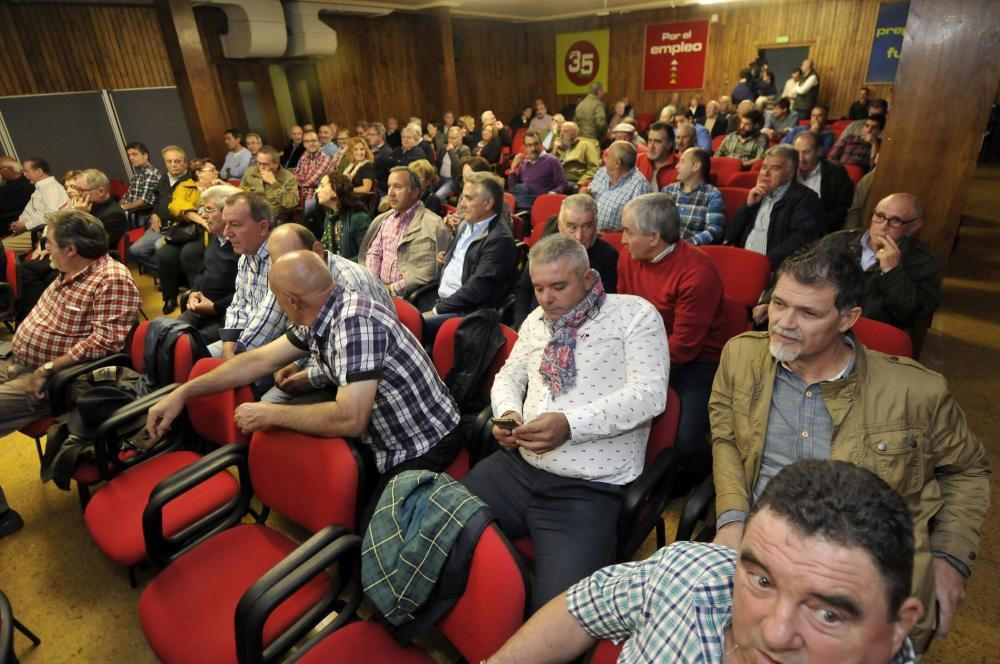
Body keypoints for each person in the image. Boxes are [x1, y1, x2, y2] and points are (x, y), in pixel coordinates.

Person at [712, 243, 989, 653]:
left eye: (808, 313)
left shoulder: (916, 392)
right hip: (764, 549)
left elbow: (967, 471)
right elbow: (727, 438)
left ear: (848, 318)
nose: (784, 323)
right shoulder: (740, 355)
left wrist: (951, 560)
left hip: (861, 571)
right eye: (780, 304)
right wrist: (733, 516)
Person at [485, 460, 924, 664]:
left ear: (899, 626)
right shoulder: (692, 572)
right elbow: (586, 604)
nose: (772, 633)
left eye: (828, 613)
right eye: (762, 581)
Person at [146, 249, 462, 500]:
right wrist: (183, 392)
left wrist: (272, 413)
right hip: (383, 436)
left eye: (277, 298)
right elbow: (257, 360)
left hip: (421, 443)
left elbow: (349, 419)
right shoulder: (323, 308)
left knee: (372, 552)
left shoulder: (354, 323)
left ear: (292, 301)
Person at [461, 234, 668, 611]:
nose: (546, 298)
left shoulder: (634, 315)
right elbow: (509, 377)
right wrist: (509, 415)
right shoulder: (537, 322)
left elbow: (648, 396)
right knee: (434, 528)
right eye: (538, 287)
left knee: (559, 617)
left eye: (558, 286)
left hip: (587, 487)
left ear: (588, 279)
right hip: (517, 470)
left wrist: (570, 424)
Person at [0, 209, 140, 437]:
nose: (46, 250)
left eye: (49, 244)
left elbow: (104, 343)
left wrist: (47, 369)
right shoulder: (68, 269)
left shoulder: (111, 279)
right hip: (16, 361)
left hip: (55, 378)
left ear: (71, 249)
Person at [617, 193, 726, 479]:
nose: (622, 240)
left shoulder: (697, 273)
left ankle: (698, 482)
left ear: (654, 237)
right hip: (644, 350)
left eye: (629, 232)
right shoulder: (629, 257)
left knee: (686, 441)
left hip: (697, 362)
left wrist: (635, 367)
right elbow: (624, 312)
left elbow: (684, 347)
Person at [811, 193, 941, 331]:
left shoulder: (924, 262)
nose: (883, 226)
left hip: (871, 337)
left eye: (895, 220)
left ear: (914, 226)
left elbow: (913, 314)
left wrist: (892, 272)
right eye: (879, 216)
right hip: (822, 326)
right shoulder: (836, 241)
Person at [420, 172, 517, 333]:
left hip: (466, 312)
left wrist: (438, 310)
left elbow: (477, 290)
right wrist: (446, 258)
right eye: (462, 197)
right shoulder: (466, 224)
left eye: (469, 198)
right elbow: (461, 259)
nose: (462, 204)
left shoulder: (499, 240)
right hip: (441, 296)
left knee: (408, 326)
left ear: (488, 204)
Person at [513, 194, 618, 327]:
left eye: (587, 226)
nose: (579, 236)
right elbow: (524, 289)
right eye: (572, 227)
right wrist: (522, 324)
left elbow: (603, 309)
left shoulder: (608, 257)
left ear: (596, 227)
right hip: (535, 325)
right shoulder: (545, 249)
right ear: (560, 227)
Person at [725, 145, 825, 270]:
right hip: (742, 262)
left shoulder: (805, 199)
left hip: (773, 269)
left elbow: (800, 242)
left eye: (775, 168)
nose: (765, 173)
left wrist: (763, 263)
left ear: (790, 174)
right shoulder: (757, 195)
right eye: (763, 167)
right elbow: (730, 236)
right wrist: (747, 206)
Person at [359, 167, 450, 298]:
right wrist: (374, 284)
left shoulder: (433, 225)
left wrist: (391, 289)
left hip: (407, 297)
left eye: (397, 187)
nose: (390, 193)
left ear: (415, 192)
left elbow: (429, 270)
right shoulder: (384, 219)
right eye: (389, 186)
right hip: (376, 291)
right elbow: (374, 252)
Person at [157, 157, 223, 314]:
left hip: (207, 232)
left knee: (190, 253)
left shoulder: (220, 188)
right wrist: (201, 220)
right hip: (185, 229)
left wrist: (223, 185)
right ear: (199, 173)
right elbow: (176, 206)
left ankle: (197, 295)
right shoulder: (185, 186)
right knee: (165, 253)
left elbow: (243, 197)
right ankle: (169, 297)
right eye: (212, 170)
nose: (216, 172)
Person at [178, 184, 241, 342]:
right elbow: (203, 271)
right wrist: (194, 292)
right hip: (201, 307)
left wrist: (214, 308)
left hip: (225, 316)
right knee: (168, 334)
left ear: (227, 212)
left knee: (187, 345)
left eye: (208, 210)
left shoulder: (241, 246)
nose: (203, 216)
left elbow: (245, 293)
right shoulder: (216, 237)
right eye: (202, 209)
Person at [127, 145, 188, 273]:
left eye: (177, 161)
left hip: (178, 227)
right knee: (135, 250)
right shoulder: (164, 179)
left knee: (159, 247)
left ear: (184, 162)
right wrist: (154, 214)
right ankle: (170, 275)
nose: (173, 165)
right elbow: (156, 201)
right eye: (169, 161)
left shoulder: (190, 180)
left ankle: (172, 276)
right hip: (160, 225)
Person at [4, 158, 69, 255]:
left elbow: (52, 216)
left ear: (39, 172)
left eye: (26, 171)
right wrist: (19, 222)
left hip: (41, 232)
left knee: (1, 249)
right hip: (32, 230)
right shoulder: (41, 188)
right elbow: (29, 211)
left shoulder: (51, 188)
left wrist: (26, 225)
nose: (24, 174)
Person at [302, 171, 372, 261]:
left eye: (322, 186)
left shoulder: (359, 219)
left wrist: (337, 264)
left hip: (351, 272)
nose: (317, 190)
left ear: (335, 190)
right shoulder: (329, 218)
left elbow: (367, 256)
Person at [793, 130, 854, 233]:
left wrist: (817, 226)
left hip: (822, 231)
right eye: (797, 152)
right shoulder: (787, 171)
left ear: (818, 151)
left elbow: (842, 209)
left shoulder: (836, 173)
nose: (801, 158)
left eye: (806, 152)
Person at [662, 147, 725, 245]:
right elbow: (656, 222)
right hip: (664, 247)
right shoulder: (668, 191)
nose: (676, 166)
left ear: (696, 166)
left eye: (682, 162)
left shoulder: (712, 195)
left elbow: (714, 231)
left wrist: (686, 245)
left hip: (692, 251)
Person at [587, 141, 652, 232]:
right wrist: (584, 195)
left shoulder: (640, 186)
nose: (604, 159)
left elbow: (642, 226)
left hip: (614, 241)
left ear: (617, 163)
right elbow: (589, 195)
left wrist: (615, 233)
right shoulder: (602, 172)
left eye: (608, 156)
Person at [508, 130, 566, 211]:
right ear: (525, 147)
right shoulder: (524, 163)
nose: (533, 148)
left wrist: (554, 193)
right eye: (529, 145)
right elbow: (513, 187)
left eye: (536, 144)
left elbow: (562, 184)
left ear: (541, 144)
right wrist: (513, 169)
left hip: (542, 203)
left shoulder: (552, 161)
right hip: (523, 202)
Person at [240, 146, 300, 222]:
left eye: (265, 164)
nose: (261, 167)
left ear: (276, 164)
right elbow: (241, 193)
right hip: (252, 213)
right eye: (258, 163)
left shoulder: (288, 177)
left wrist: (274, 183)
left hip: (275, 216)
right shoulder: (250, 172)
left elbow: (291, 203)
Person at [295, 130, 333, 217]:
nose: (310, 143)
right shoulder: (303, 156)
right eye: (307, 141)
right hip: (301, 195)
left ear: (319, 142)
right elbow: (296, 176)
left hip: (317, 196)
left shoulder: (325, 158)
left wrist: (301, 181)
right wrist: (300, 181)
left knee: (302, 216)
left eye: (313, 140)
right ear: (304, 144)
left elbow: (311, 182)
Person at [119, 142, 162, 217]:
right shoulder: (137, 174)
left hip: (142, 214)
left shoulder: (151, 173)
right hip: (130, 212)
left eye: (134, 154)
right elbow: (127, 195)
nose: (131, 158)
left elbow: (144, 201)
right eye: (129, 155)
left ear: (145, 156)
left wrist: (123, 207)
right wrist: (121, 203)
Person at [554, 122, 600, 192]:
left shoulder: (585, 145)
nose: (561, 134)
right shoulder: (559, 146)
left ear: (575, 133)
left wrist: (580, 183)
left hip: (574, 181)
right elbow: (550, 166)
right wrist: (554, 151)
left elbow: (594, 168)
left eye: (565, 131)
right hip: (558, 180)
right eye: (561, 131)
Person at [635, 122, 678, 189]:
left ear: (669, 144)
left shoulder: (680, 165)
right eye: (649, 141)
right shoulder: (638, 159)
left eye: (657, 142)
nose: (651, 147)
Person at [434, 126, 471, 200]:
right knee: (427, 193)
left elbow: (459, 167)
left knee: (437, 197)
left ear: (460, 139)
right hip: (440, 177)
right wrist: (435, 174)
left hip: (453, 180)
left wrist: (451, 151)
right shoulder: (444, 147)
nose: (450, 140)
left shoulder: (464, 150)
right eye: (449, 137)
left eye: (453, 138)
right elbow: (436, 163)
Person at [0, 158, 34, 236]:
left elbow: (6, 207)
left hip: (19, 229)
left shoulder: (28, 184)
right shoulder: (8, 186)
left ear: (6, 169)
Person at [365, 122, 395, 195]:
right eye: (368, 134)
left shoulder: (387, 153)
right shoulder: (367, 150)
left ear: (380, 136)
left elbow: (378, 176)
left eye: (371, 135)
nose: (368, 137)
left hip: (380, 191)